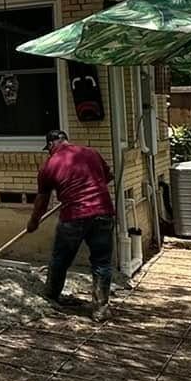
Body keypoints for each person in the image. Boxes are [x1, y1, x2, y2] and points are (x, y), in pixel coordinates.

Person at [27, 127, 116, 317]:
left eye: (48, 147)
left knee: (60, 259)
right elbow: (108, 178)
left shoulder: (50, 165)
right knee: (102, 262)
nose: (49, 151)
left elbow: (42, 200)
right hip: (103, 212)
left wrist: (33, 222)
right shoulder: (91, 153)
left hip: (74, 216)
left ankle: (51, 296)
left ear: (52, 144)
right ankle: (101, 308)